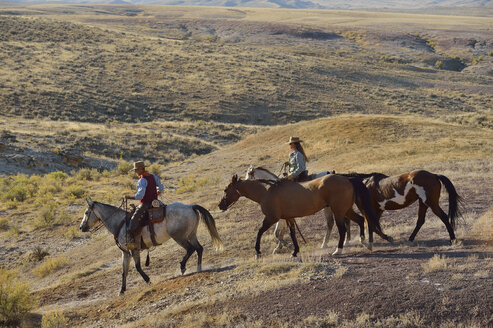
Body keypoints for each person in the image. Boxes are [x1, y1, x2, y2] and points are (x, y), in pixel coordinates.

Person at [124, 161, 164, 250]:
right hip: (155, 203)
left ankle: (132, 244)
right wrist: (158, 192)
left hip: (146, 204)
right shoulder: (153, 176)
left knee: (132, 224)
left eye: (136, 170)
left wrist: (128, 197)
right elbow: (161, 187)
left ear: (141, 169)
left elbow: (140, 196)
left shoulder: (142, 180)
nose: (135, 172)